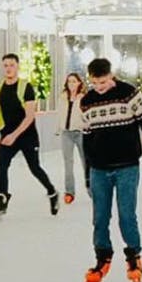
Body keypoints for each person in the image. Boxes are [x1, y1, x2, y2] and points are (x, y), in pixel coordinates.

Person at [80, 58, 142, 282]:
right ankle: (102, 258)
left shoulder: (128, 93)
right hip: (99, 169)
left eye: (102, 82)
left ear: (111, 75)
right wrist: (88, 172)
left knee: (126, 215)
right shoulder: (87, 101)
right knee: (100, 218)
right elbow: (87, 139)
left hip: (127, 166)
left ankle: (133, 258)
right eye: (94, 82)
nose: (99, 87)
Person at [0, 53, 58, 218]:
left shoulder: (26, 87)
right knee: (1, 167)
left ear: (18, 66)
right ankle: (2, 200)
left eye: (12, 65)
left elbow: (30, 116)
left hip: (27, 136)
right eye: (5, 65)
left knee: (34, 168)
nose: (8, 68)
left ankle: (52, 192)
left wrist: (14, 135)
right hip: (7, 135)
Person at [60, 73, 90, 204]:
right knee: (68, 164)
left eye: (74, 81)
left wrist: (87, 128)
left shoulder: (84, 98)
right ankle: (69, 192)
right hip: (66, 133)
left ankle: (91, 189)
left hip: (81, 133)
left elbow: (88, 116)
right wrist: (59, 128)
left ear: (79, 83)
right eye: (69, 82)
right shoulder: (62, 97)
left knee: (86, 163)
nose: (71, 84)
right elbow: (60, 114)